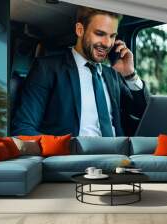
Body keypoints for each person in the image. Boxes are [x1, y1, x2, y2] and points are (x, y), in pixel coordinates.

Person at [12, 6, 149, 137]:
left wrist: (130, 75)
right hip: (72, 157)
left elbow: (144, 114)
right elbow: (23, 128)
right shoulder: (46, 69)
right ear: (79, 30)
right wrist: (65, 150)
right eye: (100, 34)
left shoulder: (112, 75)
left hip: (118, 156)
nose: (108, 43)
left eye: (112, 36)